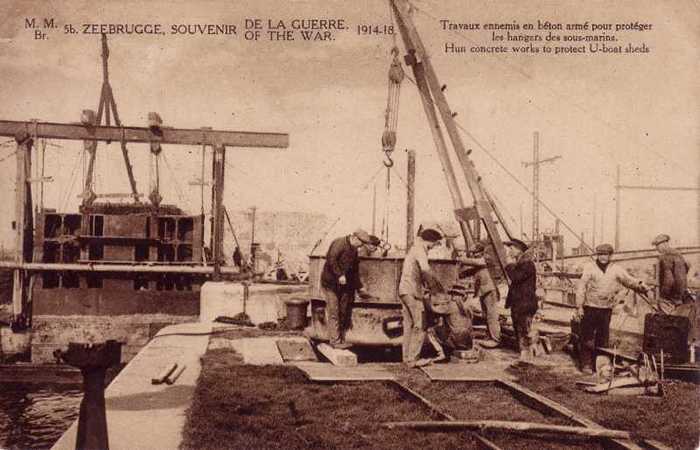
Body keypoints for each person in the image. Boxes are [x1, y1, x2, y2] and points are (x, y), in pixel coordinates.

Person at [576, 243, 650, 374]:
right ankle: (586, 364)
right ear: (597, 255)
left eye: (606, 255)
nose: (603, 257)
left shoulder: (616, 269)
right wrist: (579, 306)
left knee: (603, 338)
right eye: (600, 254)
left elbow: (628, 280)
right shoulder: (589, 268)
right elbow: (581, 287)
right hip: (590, 307)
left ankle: (600, 365)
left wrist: (640, 286)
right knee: (587, 337)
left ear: (610, 256)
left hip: (606, 308)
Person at [398, 228, 444, 365]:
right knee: (420, 324)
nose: (433, 247)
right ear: (430, 241)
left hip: (404, 290)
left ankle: (406, 358)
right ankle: (412, 359)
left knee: (409, 325)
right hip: (412, 292)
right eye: (434, 244)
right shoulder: (420, 250)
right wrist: (435, 286)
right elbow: (425, 269)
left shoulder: (413, 249)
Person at [320, 229, 371, 349]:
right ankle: (335, 341)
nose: (361, 246)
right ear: (355, 238)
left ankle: (341, 339)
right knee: (334, 311)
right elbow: (331, 259)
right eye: (361, 243)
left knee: (343, 311)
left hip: (343, 285)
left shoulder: (354, 250)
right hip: (330, 283)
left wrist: (360, 287)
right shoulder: (339, 243)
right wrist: (339, 274)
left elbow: (354, 271)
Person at [503, 238, 538, 363]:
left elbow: (516, 277)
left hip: (525, 303)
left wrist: (508, 265)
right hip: (519, 302)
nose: (509, 251)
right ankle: (525, 352)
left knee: (523, 329)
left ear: (519, 250)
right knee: (519, 327)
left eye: (511, 248)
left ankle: (526, 355)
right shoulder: (521, 262)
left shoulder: (527, 263)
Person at [460, 242, 500, 348]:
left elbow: (477, 262)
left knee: (492, 315)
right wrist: (461, 274)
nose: (472, 255)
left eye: (474, 253)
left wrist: (461, 259)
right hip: (483, 290)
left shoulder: (487, 258)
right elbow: (473, 270)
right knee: (486, 314)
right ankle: (489, 336)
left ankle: (495, 339)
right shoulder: (479, 261)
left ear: (480, 252)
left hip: (489, 289)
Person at [652, 234, 690, 306]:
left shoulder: (665, 257)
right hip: (683, 293)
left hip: (673, 297)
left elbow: (669, 280)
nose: (656, 249)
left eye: (657, 246)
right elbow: (687, 266)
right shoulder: (678, 254)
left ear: (663, 244)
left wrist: (663, 296)